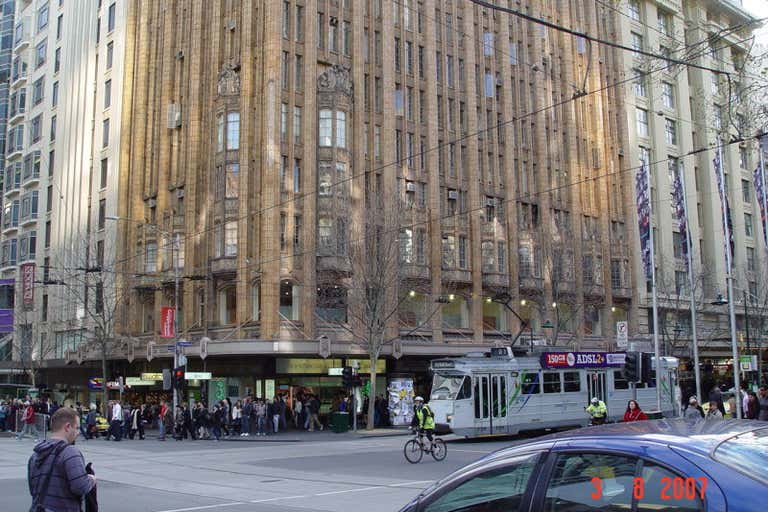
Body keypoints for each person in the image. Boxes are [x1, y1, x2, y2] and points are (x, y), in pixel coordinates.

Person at [28, 407, 96, 512]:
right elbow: (80, 487)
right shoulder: (70, 452)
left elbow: (33, 490)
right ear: (68, 427)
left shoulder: (35, 455)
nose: (78, 432)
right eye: (77, 428)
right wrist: (91, 479)